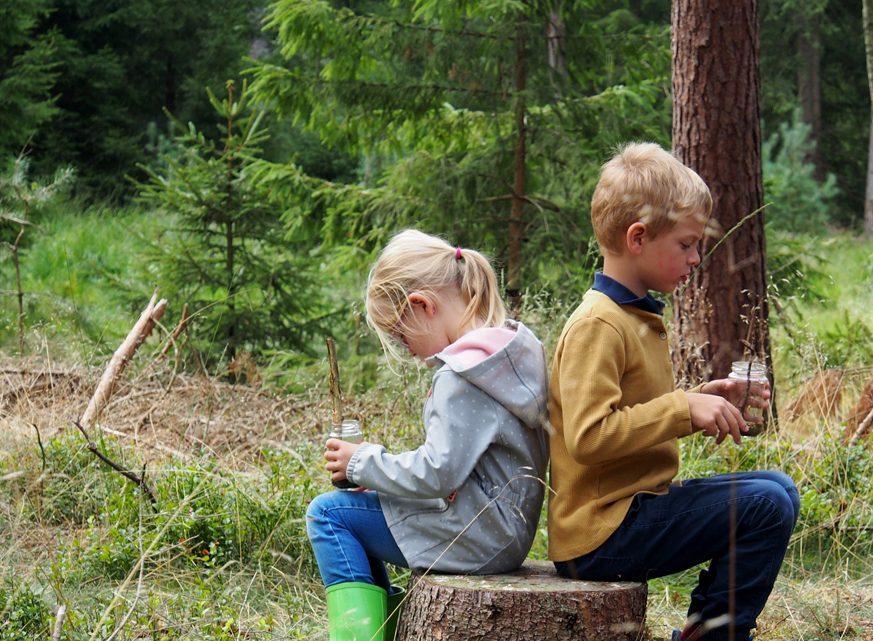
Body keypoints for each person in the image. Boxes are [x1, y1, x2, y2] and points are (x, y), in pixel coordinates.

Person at [548, 143, 799, 641]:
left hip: (634, 509)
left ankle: (706, 629)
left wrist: (705, 396)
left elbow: (634, 413)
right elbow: (589, 436)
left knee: (779, 488)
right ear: (638, 238)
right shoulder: (598, 324)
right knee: (765, 505)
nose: (696, 257)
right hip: (599, 535)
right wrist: (683, 407)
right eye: (686, 244)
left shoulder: (632, 315)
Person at [307, 229, 550, 641]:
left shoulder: (461, 378)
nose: (407, 350)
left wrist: (362, 461)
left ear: (422, 305)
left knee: (328, 515)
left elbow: (438, 472)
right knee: (354, 508)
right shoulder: (510, 351)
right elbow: (466, 468)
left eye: (401, 336)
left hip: (476, 533)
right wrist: (378, 481)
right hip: (503, 528)